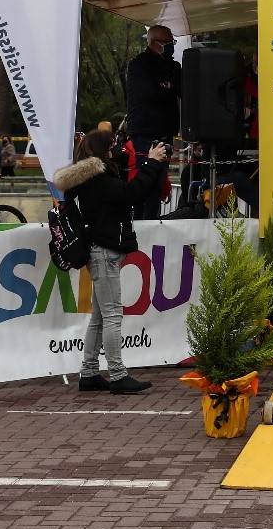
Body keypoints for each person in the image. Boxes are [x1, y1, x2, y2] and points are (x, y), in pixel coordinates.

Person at [53, 130, 168, 394]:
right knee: (113, 315)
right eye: (112, 146)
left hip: (99, 251)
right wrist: (151, 162)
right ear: (101, 151)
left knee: (100, 317)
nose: (115, 149)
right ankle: (117, 374)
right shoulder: (97, 179)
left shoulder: (87, 179)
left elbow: (123, 191)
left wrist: (130, 161)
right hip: (103, 252)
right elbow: (133, 192)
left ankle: (90, 373)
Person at [125, 25, 180, 218]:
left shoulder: (173, 67)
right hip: (144, 134)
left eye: (172, 42)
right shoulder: (138, 65)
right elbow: (148, 94)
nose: (171, 46)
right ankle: (140, 224)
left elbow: (182, 90)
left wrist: (167, 87)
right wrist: (167, 89)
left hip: (165, 132)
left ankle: (152, 221)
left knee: (158, 185)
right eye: (167, 43)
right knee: (144, 183)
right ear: (154, 44)